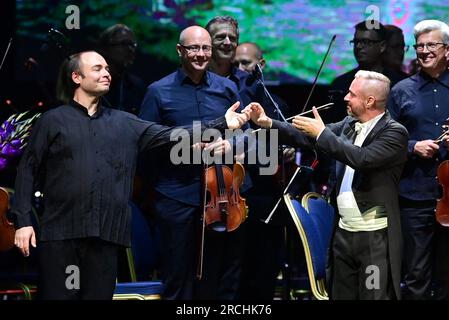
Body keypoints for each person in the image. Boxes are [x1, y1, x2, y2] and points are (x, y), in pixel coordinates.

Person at [11, 50, 250, 300]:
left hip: (105, 236)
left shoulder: (125, 123)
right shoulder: (53, 121)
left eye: (107, 68)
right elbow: (27, 170)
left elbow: (171, 134)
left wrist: (221, 123)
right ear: (76, 77)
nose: (106, 73)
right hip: (61, 235)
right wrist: (24, 221)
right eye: (97, 68)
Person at [246, 70, 408, 299]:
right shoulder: (349, 125)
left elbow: (362, 159)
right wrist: (267, 123)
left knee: (373, 295)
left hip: (374, 239)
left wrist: (322, 133)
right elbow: (306, 137)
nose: (345, 98)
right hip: (342, 234)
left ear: (370, 100)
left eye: (352, 94)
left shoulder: (394, 133)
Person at [139, 26, 252, 300]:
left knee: (220, 274)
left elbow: (247, 133)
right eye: (193, 48)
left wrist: (231, 144)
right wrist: (180, 146)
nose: (200, 54)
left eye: (205, 48)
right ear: (180, 51)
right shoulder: (158, 91)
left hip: (223, 195)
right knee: (177, 275)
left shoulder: (227, 88)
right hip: (177, 196)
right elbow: (145, 142)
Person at [388, 19, 449, 300]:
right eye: (419, 46)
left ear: (447, 50)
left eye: (431, 45)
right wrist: (413, 147)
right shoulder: (401, 91)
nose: (424, 51)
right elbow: (383, 142)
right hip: (415, 197)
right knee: (417, 276)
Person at [329, 20, 407, 123]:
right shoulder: (340, 83)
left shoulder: (399, 83)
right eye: (356, 42)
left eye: (366, 42)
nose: (359, 47)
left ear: (382, 46)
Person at [97, 24, 145, 115]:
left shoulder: (136, 86)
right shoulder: (91, 82)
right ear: (105, 48)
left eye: (132, 45)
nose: (130, 49)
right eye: (123, 44)